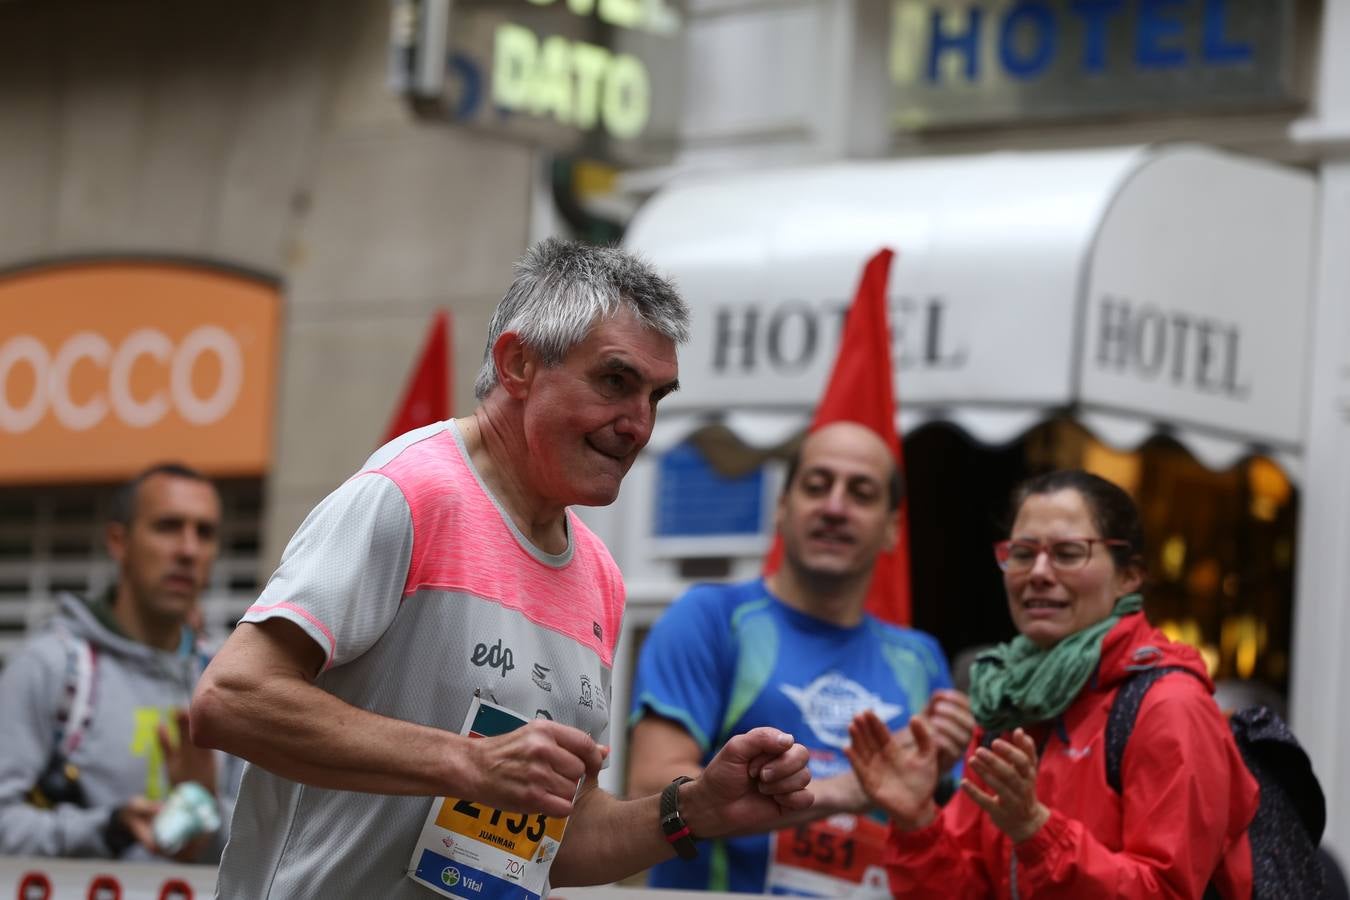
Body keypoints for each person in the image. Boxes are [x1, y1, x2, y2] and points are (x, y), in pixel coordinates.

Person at [190, 238, 815, 899]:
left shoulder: (599, 573)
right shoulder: (409, 493)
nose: (638, 424)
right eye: (615, 381)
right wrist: (466, 762)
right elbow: (229, 700)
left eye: (657, 397)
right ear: (517, 364)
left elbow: (557, 840)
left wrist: (690, 811)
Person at [845, 469, 1261, 898]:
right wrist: (917, 821)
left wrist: (1036, 831)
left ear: (1129, 576)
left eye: (1067, 552)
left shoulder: (1169, 706)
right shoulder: (1005, 701)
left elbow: (1167, 892)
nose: (1038, 573)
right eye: (1023, 553)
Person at [628, 420, 974, 895]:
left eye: (862, 493)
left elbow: (952, 840)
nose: (835, 507)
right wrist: (847, 792)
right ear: (783, 507)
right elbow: (648, 791)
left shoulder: (921, 657)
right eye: (816, 486)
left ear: (893, 528)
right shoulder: (710, 618)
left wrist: (936, 786)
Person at [0, 462, 231, 861]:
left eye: (205, 532)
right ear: (118, 541)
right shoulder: (51, 667)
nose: (189, 550)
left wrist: (209, 814)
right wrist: (108, 829)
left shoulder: (231, 680)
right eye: (168, 526)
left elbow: (274, 840)